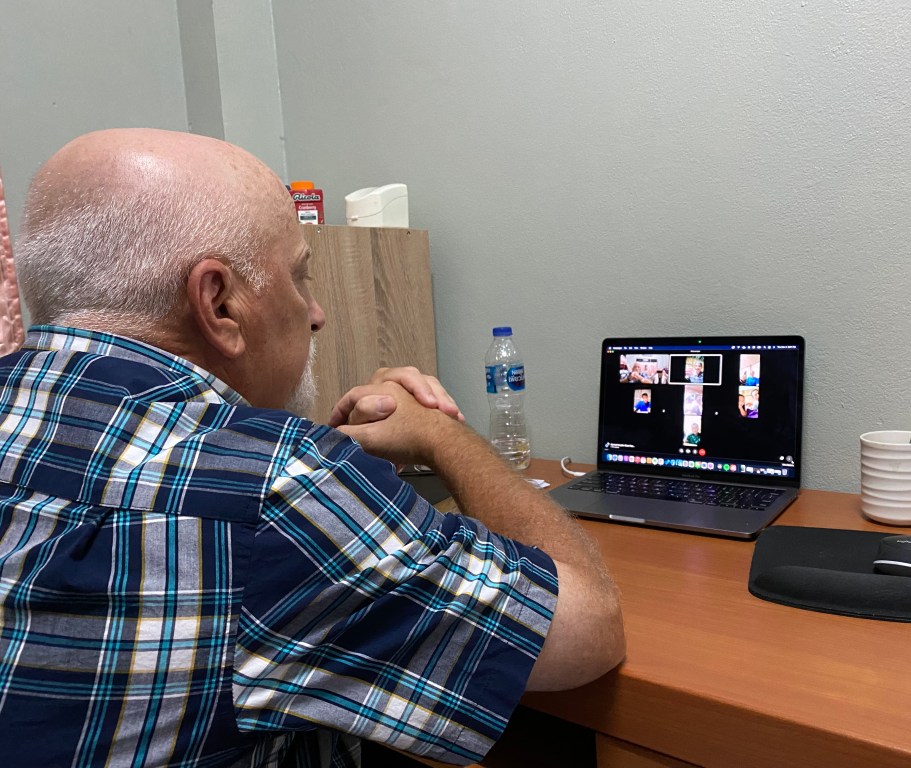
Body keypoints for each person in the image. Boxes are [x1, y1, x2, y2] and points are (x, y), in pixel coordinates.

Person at [0, 129, 625, 768]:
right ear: (218, 303)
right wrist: (440, 433)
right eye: (299, 276)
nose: (317, 312)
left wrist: (355, 490)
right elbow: (590, 628)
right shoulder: (279, 486)